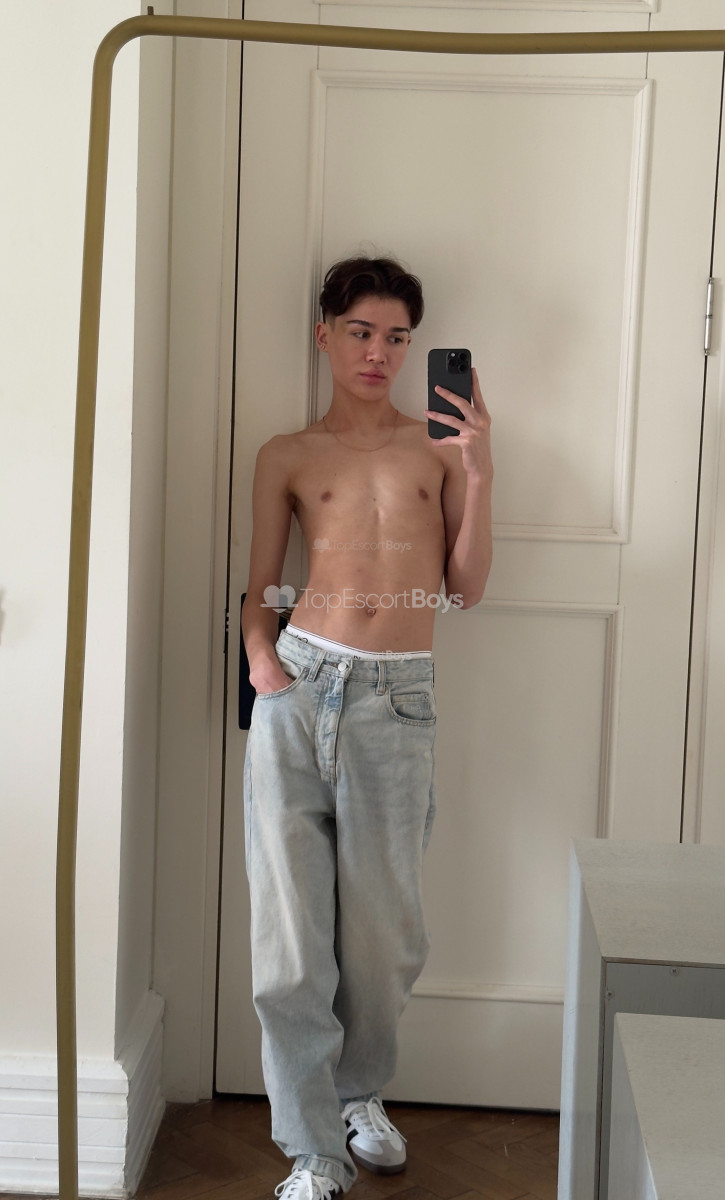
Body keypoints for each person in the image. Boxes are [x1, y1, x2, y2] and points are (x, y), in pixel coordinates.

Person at [241, 255, 493, 1199]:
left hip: (398, 697)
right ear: (325, 335)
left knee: (383, 934)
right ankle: (312, 1149)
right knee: (290, 935)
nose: (378, 352)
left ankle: (359, 1095)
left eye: (395, 337)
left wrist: (480, 469)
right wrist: (262, 663)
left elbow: (466, 588)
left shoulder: (436, 450)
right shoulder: (286, 454)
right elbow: (260, 584)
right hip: (298, 685)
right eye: (360, 332)